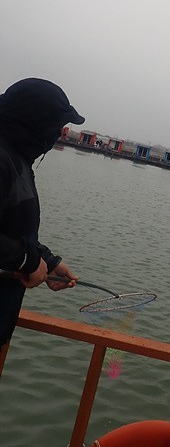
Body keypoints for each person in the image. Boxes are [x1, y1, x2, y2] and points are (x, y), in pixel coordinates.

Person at [0, 78, 85, 347]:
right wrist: (26, 260)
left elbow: (12, 226)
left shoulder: (18, 159)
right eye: (58, 125)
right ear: (36, 122)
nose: (61, 133)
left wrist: (47, 260)